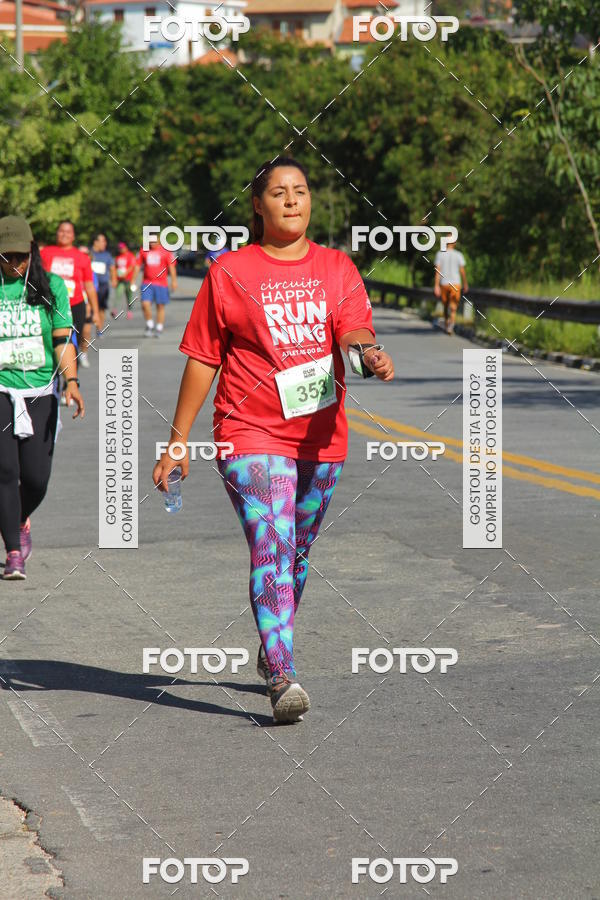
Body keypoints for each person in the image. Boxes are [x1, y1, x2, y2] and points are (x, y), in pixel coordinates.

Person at [153, 157, 394, 723]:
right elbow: (202, 360)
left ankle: (271, 644)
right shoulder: (229, 272)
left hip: (320, 435)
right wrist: (178, 440)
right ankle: (283, 675)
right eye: (279, 193)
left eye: (301, 191)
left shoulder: (337, 267)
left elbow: (353, 330)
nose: (292, 200)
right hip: (248, 430)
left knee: (297, 554)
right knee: (274, 543)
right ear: (257, 207)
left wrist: (367, 354)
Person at [0, 216, 84, 580]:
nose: (14, 264)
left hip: (40, 393)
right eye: (7, 257)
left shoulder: (52, 287)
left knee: (35, 478)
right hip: (1, 389)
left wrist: (72, 382)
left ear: (32, 252)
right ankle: (14, 552)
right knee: (5, 472)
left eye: (21, 257)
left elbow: (62, 340)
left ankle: (18, 518)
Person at [40, 222, 100, 382]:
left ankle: (71, 381)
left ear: (73, 236)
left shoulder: (82, 257)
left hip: (75, 305)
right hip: (50, 305)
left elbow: (89, 285)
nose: (64, 234)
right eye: (61, 231)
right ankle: (53, 379)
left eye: (68, 232)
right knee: (51, 340)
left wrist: (95, 312)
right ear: (57, 233)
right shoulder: (46, 253)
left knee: (72, 342)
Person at [132, 240, 177, 338]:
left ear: (159, 241)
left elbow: (171, 266)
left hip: (161, 283)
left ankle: (159, 327)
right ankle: (150, 324)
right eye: (150, 241)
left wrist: (174, 281)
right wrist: (133, 280)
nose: (152, 243)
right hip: (147, 283)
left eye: (154, 241)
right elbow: (137, 266)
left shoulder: (165, 251)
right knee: (145, 304)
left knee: (160, 306)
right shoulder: (143, 251)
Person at [434, 240, 468, 334]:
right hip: (455, 283)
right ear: (455, 243)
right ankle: (450, 325)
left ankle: (448, 324)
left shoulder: (440, 254)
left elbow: (438, 271)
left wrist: (436, 286)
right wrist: (465, 283)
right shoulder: (458, 255)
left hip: (445, 283)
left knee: (446, 305)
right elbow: (462, 271)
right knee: (453, 305)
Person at [90, 233, 116, 335]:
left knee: (101, 307)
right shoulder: (89, 254)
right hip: (90, 285)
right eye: (102, 241)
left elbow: (112, 268)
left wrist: (114, 279)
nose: (105, 243)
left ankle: (99, 328)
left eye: (105, 241)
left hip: (103, 285)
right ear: (95, 242)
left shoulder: (107, 255)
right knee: (89, 307)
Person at [112, 241, 137, 320]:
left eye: (122, 248)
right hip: (120, 280)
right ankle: (115, 309)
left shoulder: (130, 255)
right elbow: (115, 268)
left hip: (128, 279)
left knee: (129, 297)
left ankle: (129, 311)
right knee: (118, 294)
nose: (121, 249)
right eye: (119, 248)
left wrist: (126, 273)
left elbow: (132, 266)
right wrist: (114, 278)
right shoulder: (118, 257)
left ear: (125, 248)